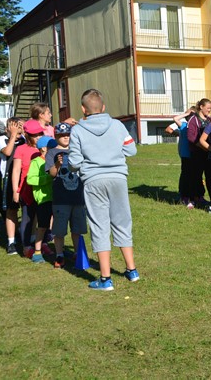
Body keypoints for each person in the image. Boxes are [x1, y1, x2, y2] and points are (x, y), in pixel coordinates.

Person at [69, 89, 138, 291]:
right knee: (122, 221)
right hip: (118, 178)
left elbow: (74, 162)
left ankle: (106, 278)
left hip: (93, 180)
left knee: (99, 226)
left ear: (83, 109)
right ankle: (132, 270)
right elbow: (131, 150)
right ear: (104, 107)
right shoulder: (117, 125)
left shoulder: (77, 130)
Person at [46, 122, 87, 269]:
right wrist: (57, 164)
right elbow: (52, 174)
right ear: (56, 136)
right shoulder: (51, 153)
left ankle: (77, 253)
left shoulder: (77, 150)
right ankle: (59, 254)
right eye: (62, 135)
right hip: (61, 199)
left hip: (78, 198)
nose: (65, 137)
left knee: (77, 229)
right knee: (59, 230)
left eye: (68, 135)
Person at [12, 119, 44, 258]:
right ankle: (26, 247)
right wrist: (15, 190)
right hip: (26, 190)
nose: (38, 137)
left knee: (42, 218)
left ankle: (41, 243)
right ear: (27, 135)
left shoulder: (44, 148)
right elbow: (16, 171)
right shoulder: (21, 149)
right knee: (27, 217)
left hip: (43, 189)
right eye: (34, 135)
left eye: (40, 134)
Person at [26, 135, 54, 264]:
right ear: (43, 148)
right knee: (42, 226)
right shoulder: (36, 162)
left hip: (55, 198)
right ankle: (37, 252)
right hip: (43, 199)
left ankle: (50, 247)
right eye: (51, 147)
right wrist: (47, 178)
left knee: (53, 226)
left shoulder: (54, 161)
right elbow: (30, 179)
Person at [0, 117, 24, 255]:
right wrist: (13, 136)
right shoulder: (1, 139)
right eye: (15, 126)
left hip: (24, 178)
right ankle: (11, 242)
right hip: (9, 179)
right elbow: (7, 152)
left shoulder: (24, 140)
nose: (18, 129)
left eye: (20, 127)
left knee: (27, 209)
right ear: (7, 128)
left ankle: (26, 236)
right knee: (11, 210)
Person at [186, 98, 211, 208]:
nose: (209, 110)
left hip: (208, 153)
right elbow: (191, 137)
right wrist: (202, 146)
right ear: (201, 107)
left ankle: (204, 197)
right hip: (196, 153)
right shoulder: (193, 119)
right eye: (208, 108)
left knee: (209, 176)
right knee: (196, 176)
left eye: (210, 108)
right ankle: (192, 199)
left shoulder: (210, 120)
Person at [173, 107, 196, 208]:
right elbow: (175, 118)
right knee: (186, 176)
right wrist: (187, 114)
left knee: (193, 177)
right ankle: (184, 197)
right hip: (185, 156)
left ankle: (193, 197)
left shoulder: (195, 126)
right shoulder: (183, 126)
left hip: (194, 155)